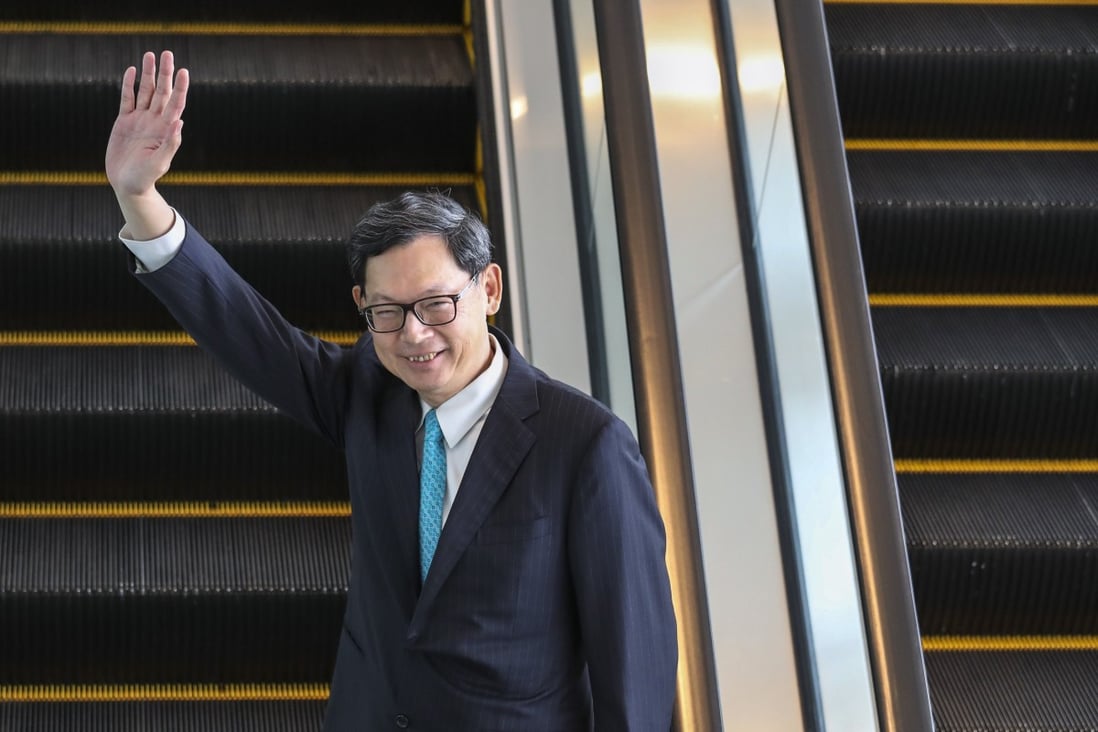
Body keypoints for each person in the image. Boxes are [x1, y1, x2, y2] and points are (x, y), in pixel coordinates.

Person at [106, 50, 677, 731]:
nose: (413, 335)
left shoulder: (587, 447)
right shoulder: (369, 389)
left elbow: (634, 676)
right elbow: (247, 331)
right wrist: (139, 198)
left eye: (437, 304)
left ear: (489, 288)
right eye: (387, 312)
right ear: (362, 305)